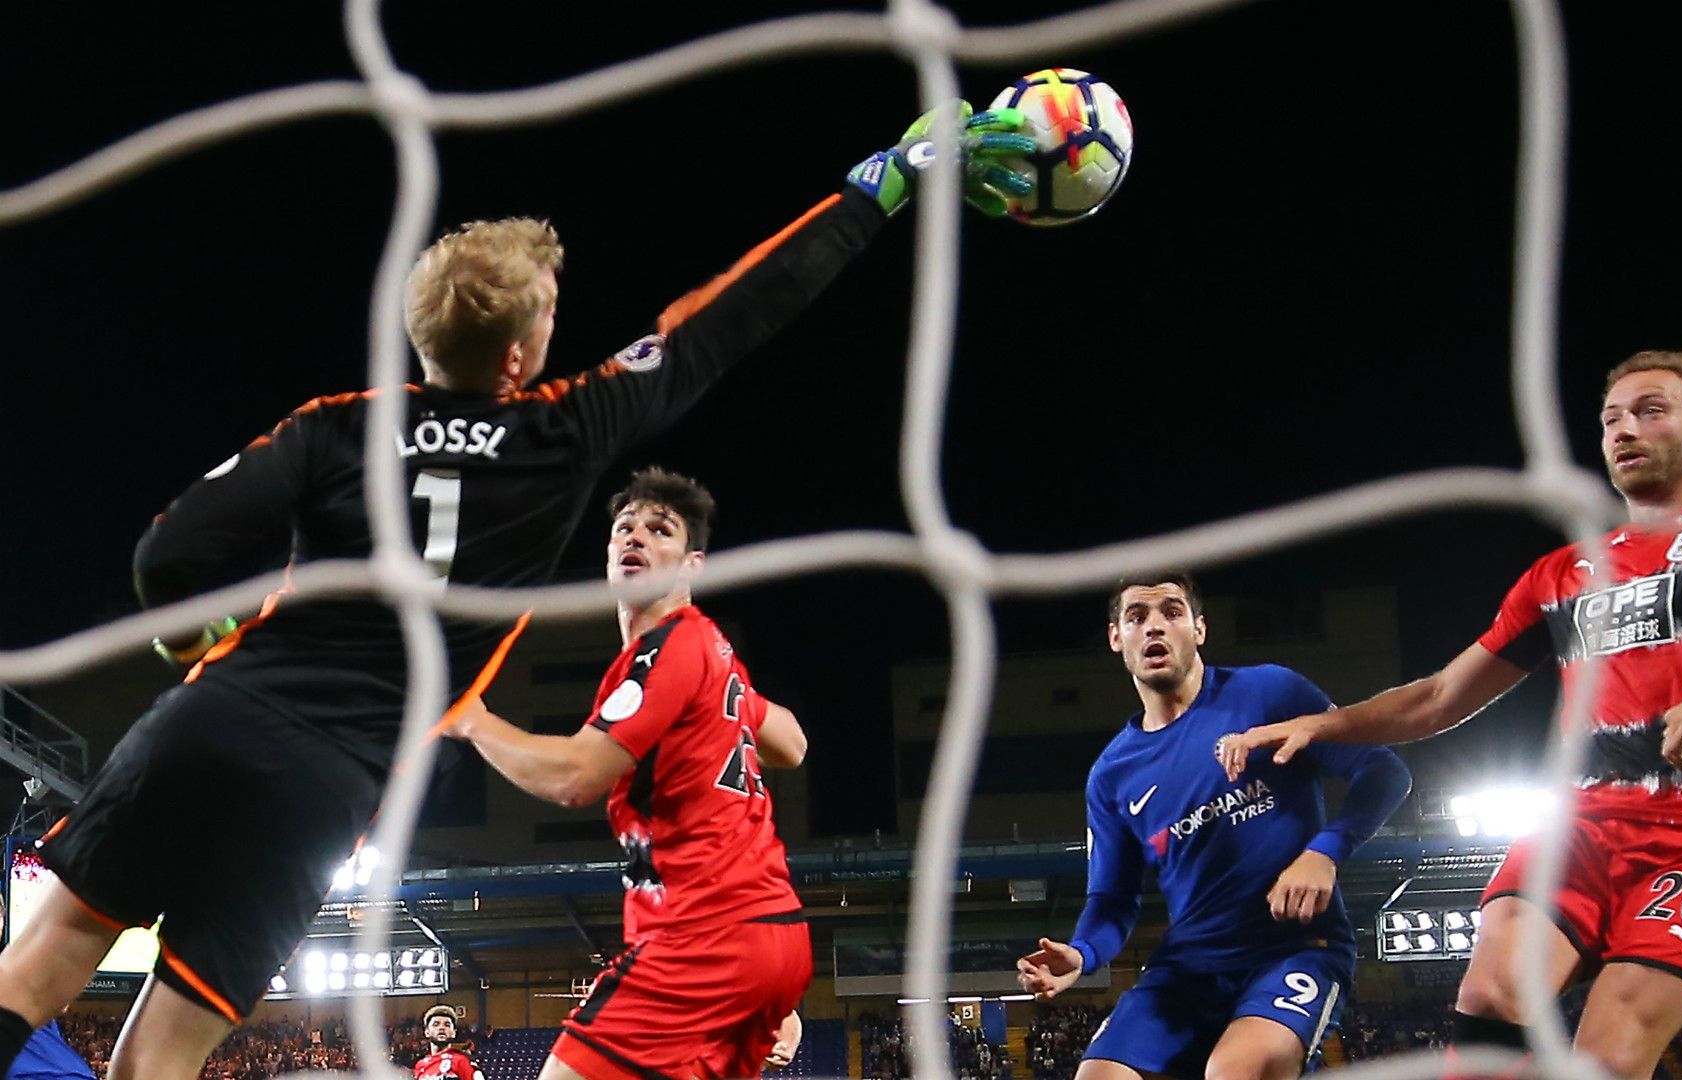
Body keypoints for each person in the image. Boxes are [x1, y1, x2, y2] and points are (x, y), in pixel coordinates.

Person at [0, 105, 1035, 1080]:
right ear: (521, 352)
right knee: (161, 1059)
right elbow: (726, 323)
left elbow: (165, 560)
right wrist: (881, 187)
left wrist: (206, 653)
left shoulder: (335, 426)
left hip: (210, 719)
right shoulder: (564, 433)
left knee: (38, 970)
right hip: (319, 794)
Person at [1213, 350, 1682, 1078]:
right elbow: (1439, 696)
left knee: (1608, 1056)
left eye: (1650, 410)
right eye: (1612, 418)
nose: (1624, 430)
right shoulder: (1564, 572)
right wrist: (1322, 724)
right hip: (1577, 825)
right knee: (1490, 994)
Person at [445, 468, 810, 1080]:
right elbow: (794, 742)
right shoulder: (713, 654)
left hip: (704, 939)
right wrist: (733, 701)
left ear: (692, 565)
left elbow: (575, 777)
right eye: (624, 527)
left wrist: (471, 720)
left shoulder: (669, 648)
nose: (636, 536)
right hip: (775, 938)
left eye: (659, 529)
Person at [1015, 574, 1411, 1080]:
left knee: (1234, 1070)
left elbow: (1383, 771)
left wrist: (1324, 852)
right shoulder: (1112, 775)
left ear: (1199, 628)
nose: (1155, 626)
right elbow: (1113, 898)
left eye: (1172, 612)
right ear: (1117, 639)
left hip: (1294, 951)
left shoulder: (1271, 691)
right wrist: (1082, 952)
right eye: (1137, 616)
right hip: (1188, 969)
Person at [415, 1005, 485, 1080]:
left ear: (454, 1033)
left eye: (447, 1025)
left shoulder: (461, 1061)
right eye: (436, 1024)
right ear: (426, 1032)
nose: (441, 1028)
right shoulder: (420, 1065)